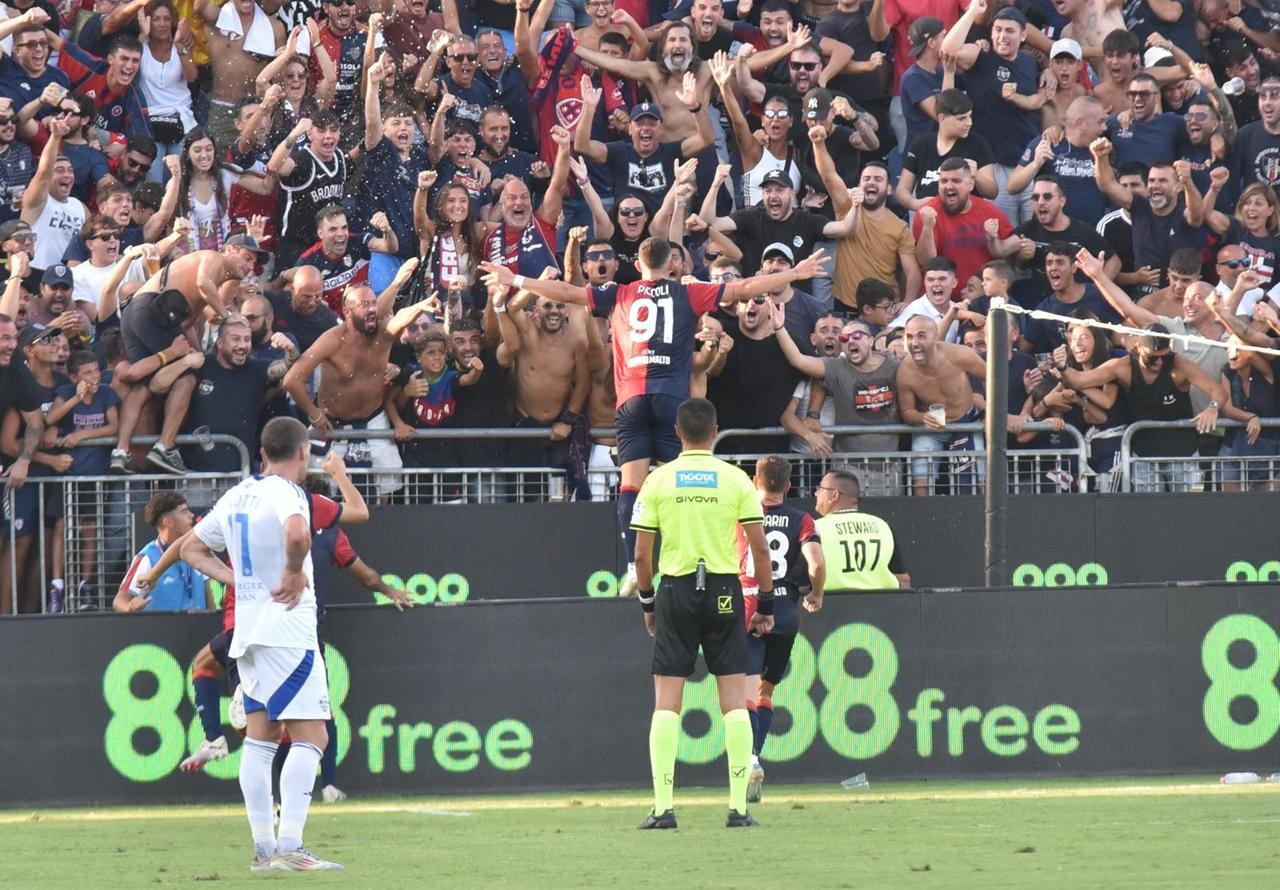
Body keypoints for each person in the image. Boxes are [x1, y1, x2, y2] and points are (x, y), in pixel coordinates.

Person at [480, 236, 827, 596]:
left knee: (631, 485)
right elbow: (743, 288)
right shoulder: (688, 293)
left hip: (631, 398)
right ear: (671, 264)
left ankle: (634, 565)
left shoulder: (619, 293)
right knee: (683, 483)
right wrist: (795, 274)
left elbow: (567, 292)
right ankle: (693, 561)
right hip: (670, 399)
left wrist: (514, 279)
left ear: (639, 264)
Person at [176, 417, 338, 871]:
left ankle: (264, 850)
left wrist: (236, 580)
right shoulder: (288, 493)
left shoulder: (238, 494)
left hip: (247, 633)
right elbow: (298, 534)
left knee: (262, 738)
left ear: (263, 452)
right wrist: (293, 571)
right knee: (313, 736)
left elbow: (190, 548)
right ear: (302, 452)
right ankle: (291, 847)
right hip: (287, 631)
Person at [628, 397, 773, 829]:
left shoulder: (657, 480)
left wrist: (649, 603)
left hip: (675, 589)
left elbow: (641, 555)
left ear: (676, 433)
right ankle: (738, 809)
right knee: (734, 702)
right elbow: (759, 548)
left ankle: (663, 809)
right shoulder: (736, 479)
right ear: (714, 432)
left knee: (666, 703)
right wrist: (765, 604)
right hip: (725, 589)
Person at [282, 261, 430, 498]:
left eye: (373, 303)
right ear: (347, 312)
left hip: (374, 419)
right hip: (333, 425)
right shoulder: (332, 339)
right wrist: (315, 414)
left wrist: (419, 305)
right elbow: (291, 380)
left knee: (387, 488)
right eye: (364, 305)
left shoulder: (383, 333)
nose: (371, 309)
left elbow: (399, 318)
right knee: (322, 490)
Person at [896, 315, 986, 495]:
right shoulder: (904, 371)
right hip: (930, 427)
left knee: (980, 481)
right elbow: (906, 411)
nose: (915, 343)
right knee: (921, 483)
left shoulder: (960, 354)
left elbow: (991, 378)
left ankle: (982, 514)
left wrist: (991, 412)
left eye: (921, 336)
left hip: (966, 421)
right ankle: (924, 513)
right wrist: (923, 417)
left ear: (936, 337)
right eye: (910, 337)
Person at [813, 467, 909, 589]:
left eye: (820, 489)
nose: (816, 493)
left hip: (829, 600)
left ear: (834, 495)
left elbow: (802, 582)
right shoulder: (883, 526)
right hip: (883, 600)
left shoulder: (815, 528)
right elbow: (903, 581)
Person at [114, 491, 210, 611]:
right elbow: (119, 600)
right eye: (184, 511)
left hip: (199, 623)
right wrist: (129, 607)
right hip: (161, 623)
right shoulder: (148, 557)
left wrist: (217, 612)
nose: (192, 515)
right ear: (168, 521)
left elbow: (213, 591)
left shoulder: (198, 551)